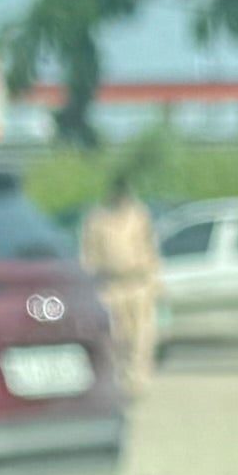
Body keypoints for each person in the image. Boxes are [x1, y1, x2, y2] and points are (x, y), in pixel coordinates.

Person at [75, 165, 163, 391]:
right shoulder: (96, 218)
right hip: (110, 285)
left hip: (138, 282)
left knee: (141, 334)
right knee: (117, 335)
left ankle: (139, 376)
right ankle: (119, 376)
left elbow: (150, 248)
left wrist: (155, 280)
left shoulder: (138, 215)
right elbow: (88, 253)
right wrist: (88, 282)